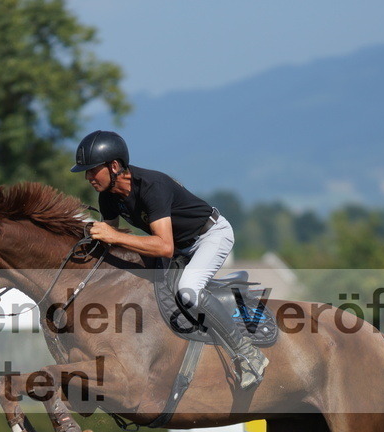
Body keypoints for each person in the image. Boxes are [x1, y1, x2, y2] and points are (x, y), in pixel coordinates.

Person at [70, 130, 268, 389]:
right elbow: (110, 240)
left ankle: (249, 355)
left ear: (114, 166)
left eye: (92, 170)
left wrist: (113, 236)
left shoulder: (152, 186)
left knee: (187, 292)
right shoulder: (107, 196)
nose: (87, 177)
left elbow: (163, 246)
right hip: (180, 248)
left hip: (210, 236)